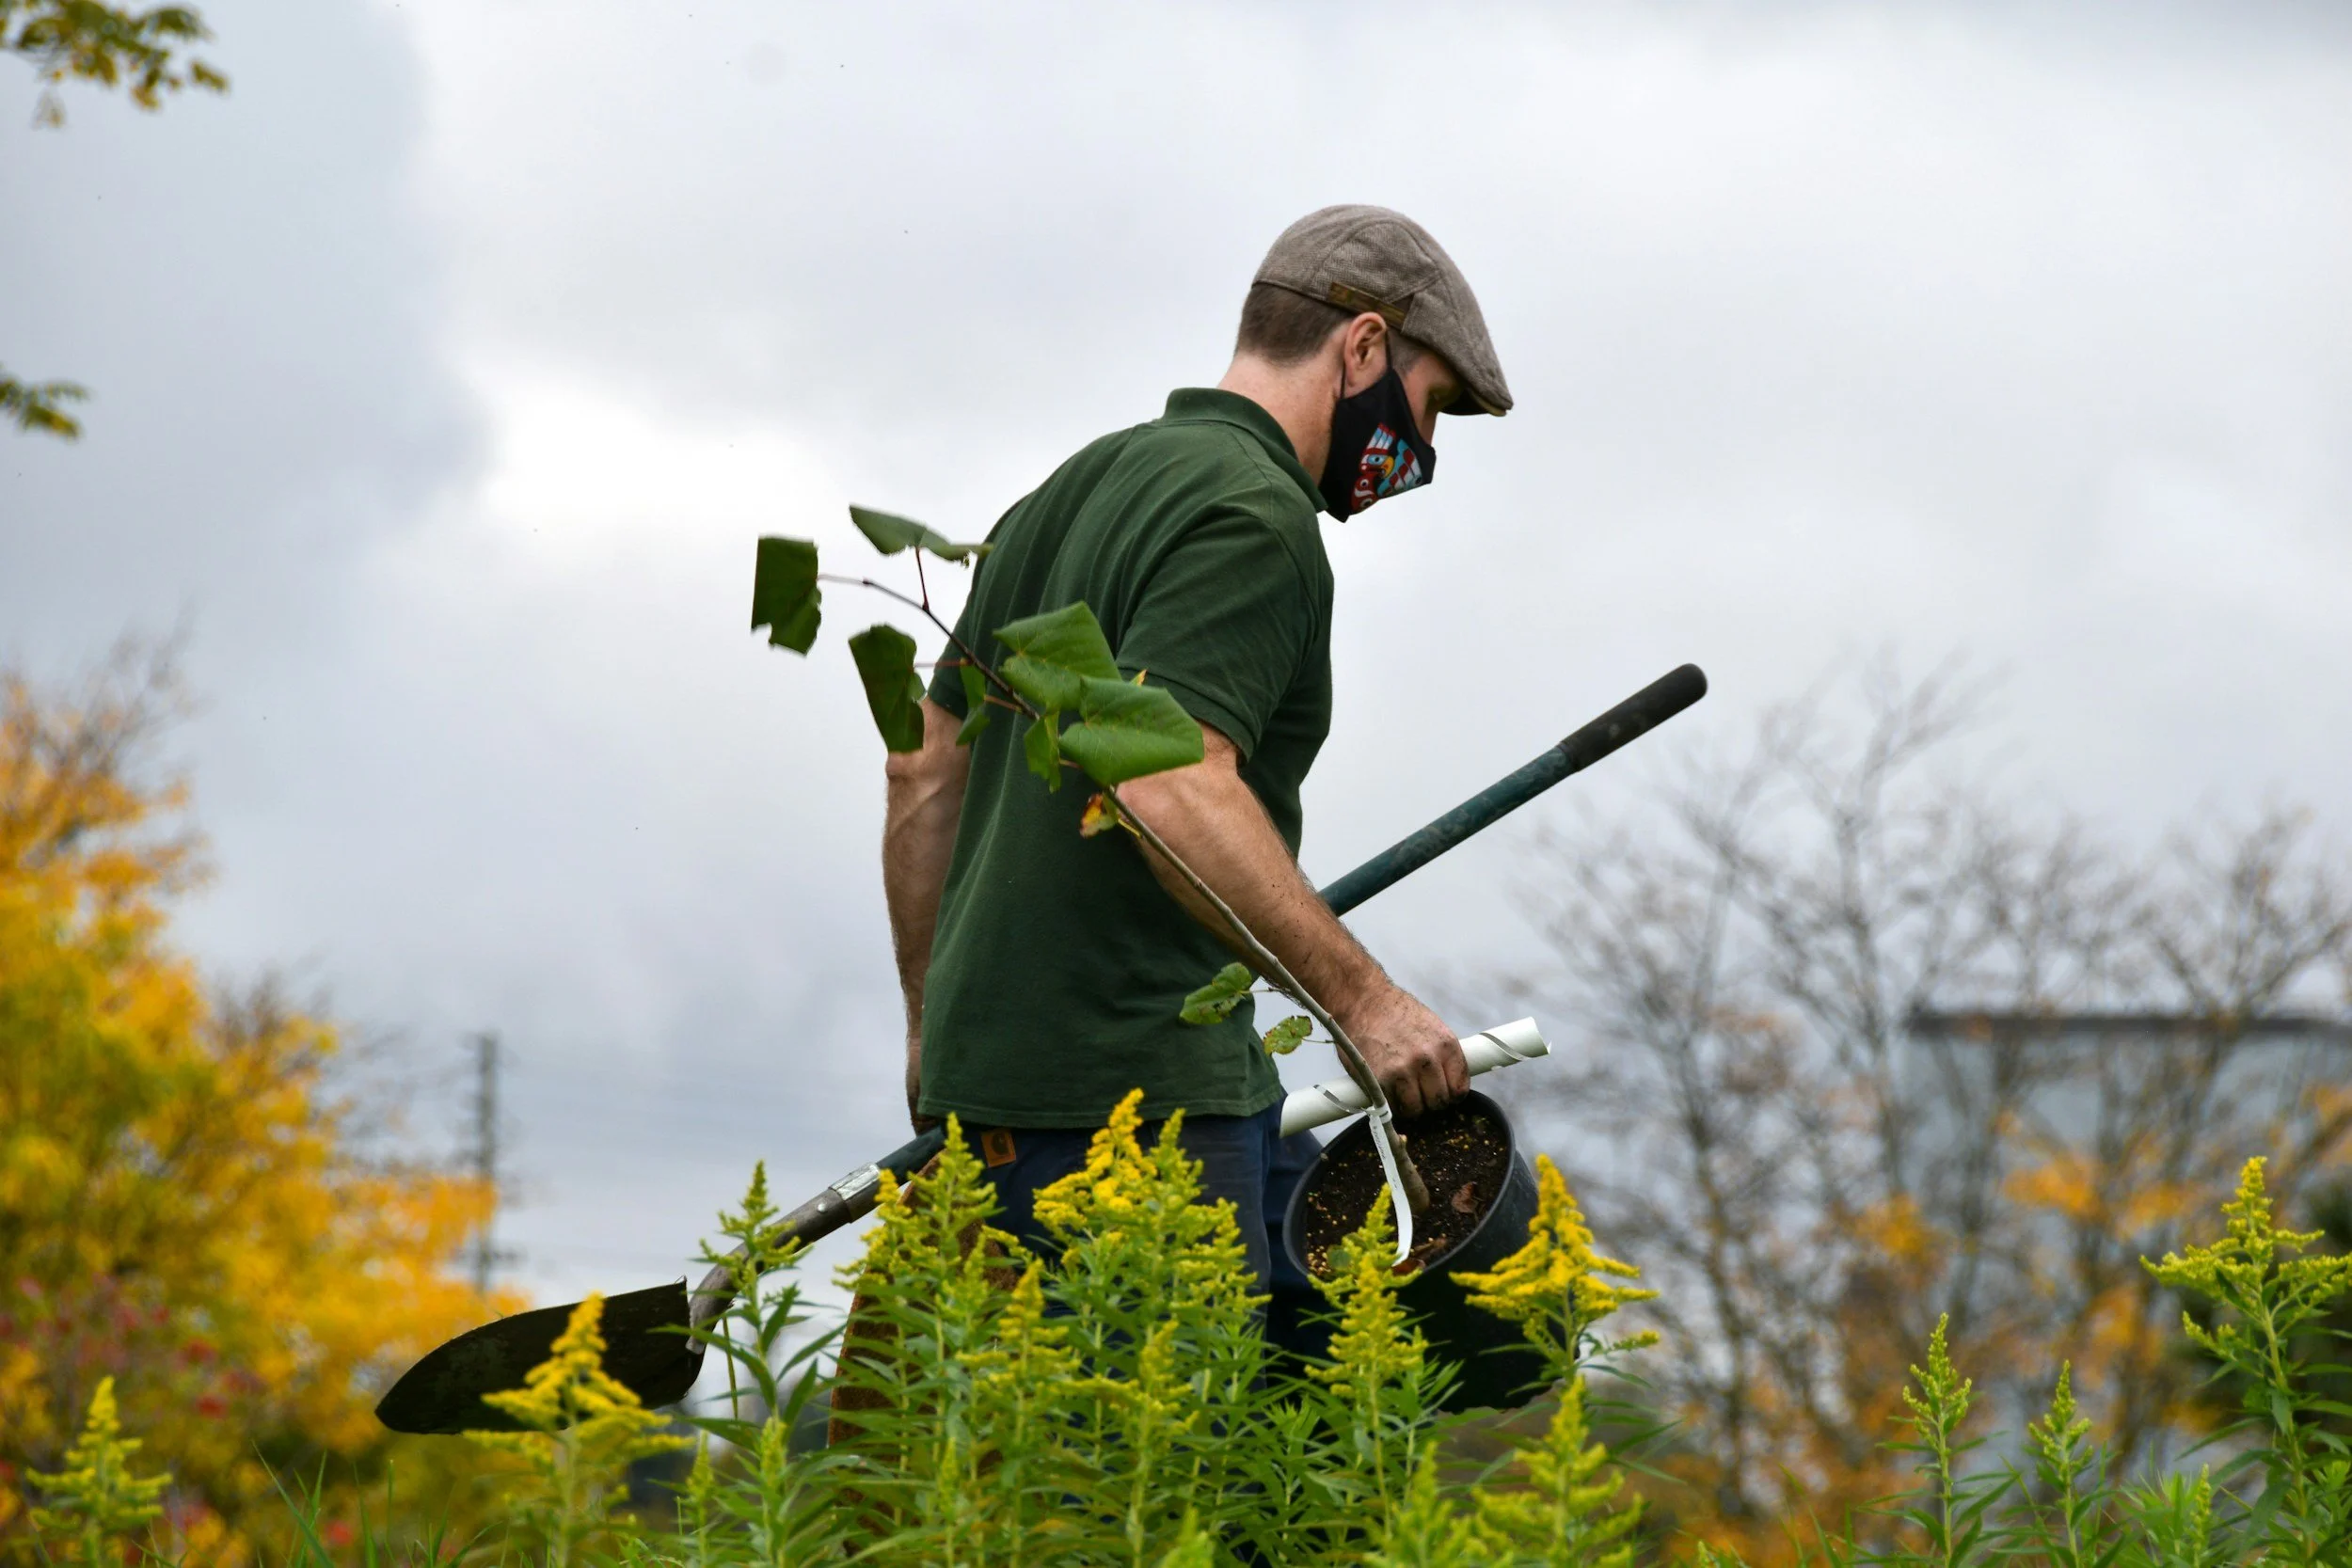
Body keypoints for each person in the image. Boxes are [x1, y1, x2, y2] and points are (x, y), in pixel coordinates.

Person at [881, 205, 1513, 1323]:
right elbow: (1169, 782)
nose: (1421, 451)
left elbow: (924, 768)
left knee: (1019, 1484)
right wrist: (1364, 1004)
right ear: (1361, 347)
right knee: (1154, 1489)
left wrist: (939, 1031)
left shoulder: (1070, 490)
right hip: (1145, 1123)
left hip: (988, 1119)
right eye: (1430, 408)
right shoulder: (1255, 514)